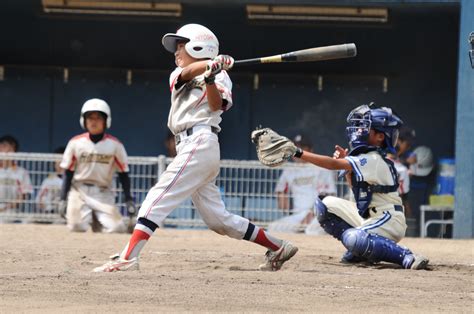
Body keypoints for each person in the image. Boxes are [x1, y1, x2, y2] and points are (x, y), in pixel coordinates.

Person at [93, 23, 298, 272]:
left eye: (181, 46)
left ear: (198, 46)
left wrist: (212, 77)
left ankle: (128, 256)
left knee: (158, 195)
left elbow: (215, 105)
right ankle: (278, 246)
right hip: (190, 145)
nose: (176, 52)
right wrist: (208, 66)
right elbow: (189, 71)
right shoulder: (178, 73)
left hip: (201, 141)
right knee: (217, 220)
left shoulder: (222, 76)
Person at [280, 104, 429, 269]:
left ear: (380, 136)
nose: (359, 129)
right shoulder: (366, 156)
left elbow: (331, 164)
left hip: (389, 220)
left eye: (366, 127)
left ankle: (405, 256)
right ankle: (360, 250)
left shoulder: (374, 158)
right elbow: (356, 190)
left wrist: (298, 152)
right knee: (324, 205)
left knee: (354, 238)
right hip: (370, 216)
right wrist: (347, 167)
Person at [59, 98, 135, 233]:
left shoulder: (115, 145)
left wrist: (128, 199)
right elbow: (68, 172)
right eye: (90, 117)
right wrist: (63, 198)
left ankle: (97, 217)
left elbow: (123, 174)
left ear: (106, 121)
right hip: (79, 191)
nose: (93, 121)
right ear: (84, 120)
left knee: (117, 229)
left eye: (98, 118)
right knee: (76, 227)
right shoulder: (75, 143)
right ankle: (91, 217)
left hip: (103, 192)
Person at [269, 134, 336, 234]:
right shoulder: (289, 170)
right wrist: (284, 202)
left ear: (311, 150)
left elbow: (328, 197)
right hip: (297, 215)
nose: (297, 152)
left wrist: (312, 213)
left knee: (312, 231)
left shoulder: (321, 168)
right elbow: (281, 194)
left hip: (318, 215)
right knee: (272, 228)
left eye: (302, 149)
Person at [0, 135, 33, 211]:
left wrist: (5, 208)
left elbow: (24, 196)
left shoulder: (22, 172)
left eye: (8, 149)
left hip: (13, 213)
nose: (2, 151)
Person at [36, 147, 65, 213]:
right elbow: (38, 199)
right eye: (57, 161)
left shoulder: (74, 179)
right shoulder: (49, 180)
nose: (59, 164)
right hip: (49, 212)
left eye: (62, 160)